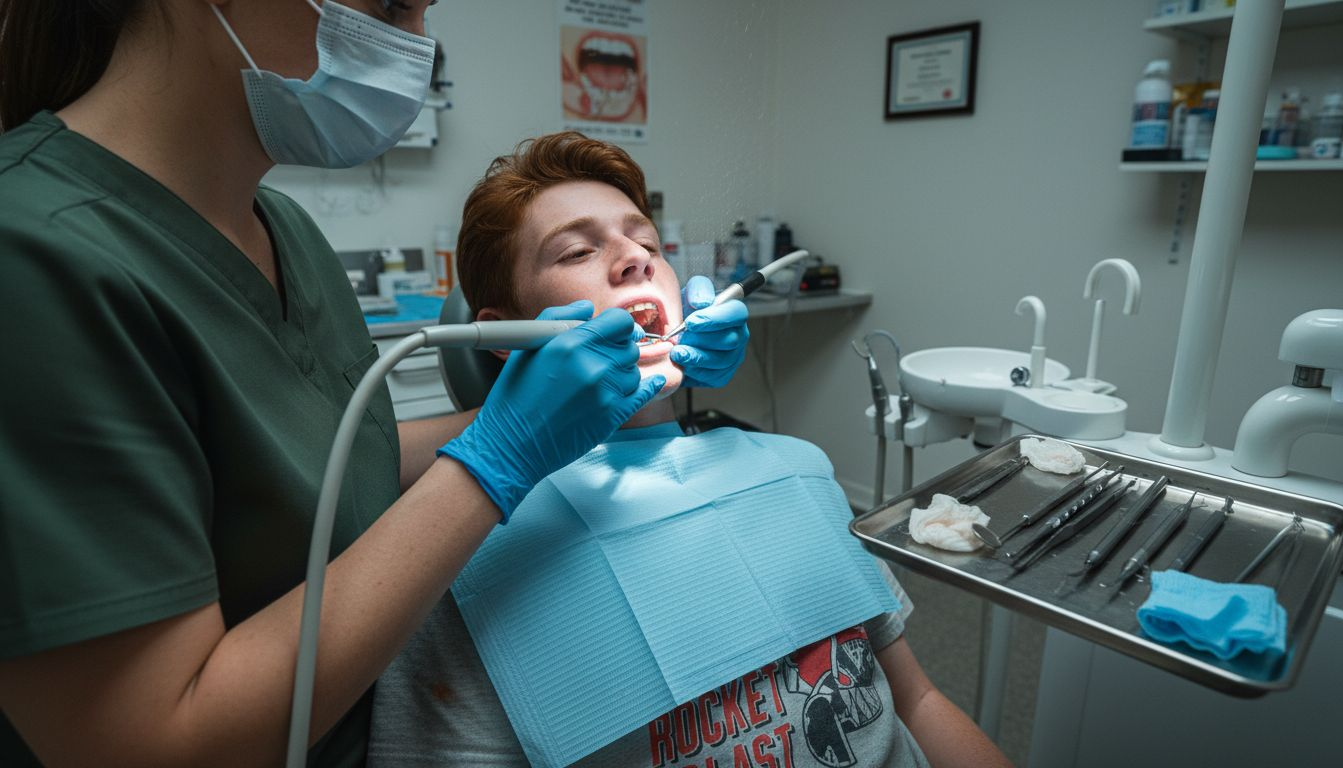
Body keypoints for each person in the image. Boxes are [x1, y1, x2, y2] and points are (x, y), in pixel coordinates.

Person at [0, 3, 748, 765]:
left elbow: (329, 461)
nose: (413, 42)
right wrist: (499, 458)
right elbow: (157, 744)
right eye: (390, 4)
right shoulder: (32, 256)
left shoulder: (282, 230)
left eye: (645, 242)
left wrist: (558, 416)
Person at [368, 133, 1012, 768]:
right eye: (576, 252)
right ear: (510, 336)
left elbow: (916, 701)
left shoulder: (797, 471)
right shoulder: (457, 547)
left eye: (647, 241)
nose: (634, 258)